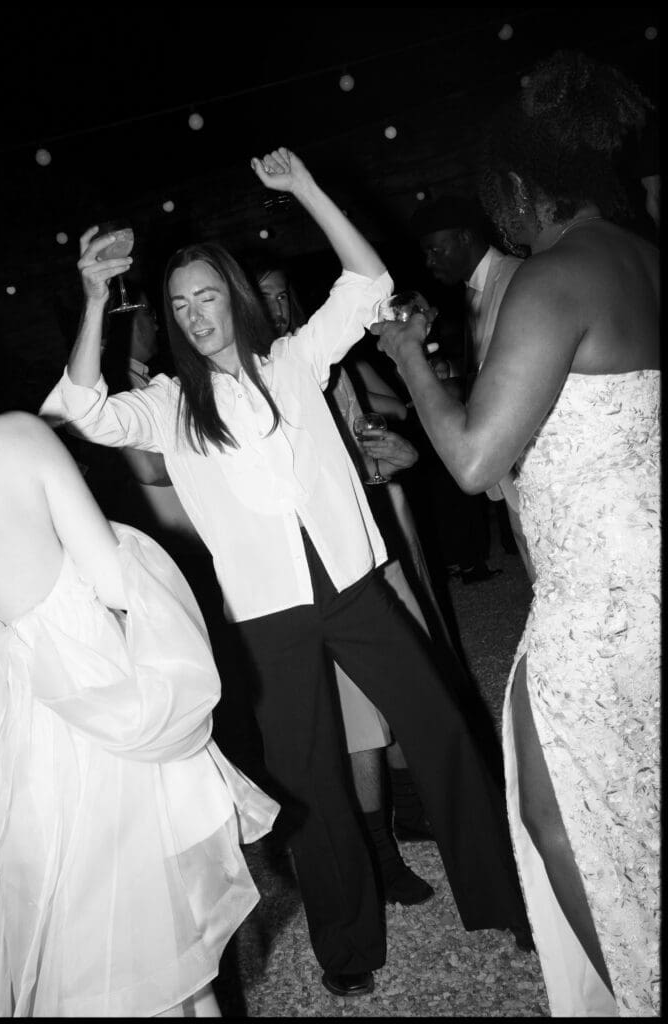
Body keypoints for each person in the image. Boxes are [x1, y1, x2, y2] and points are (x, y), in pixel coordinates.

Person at [41, 146, 531, 999]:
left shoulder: (296, 362)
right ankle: (347, 946)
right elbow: (78, 412)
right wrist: (91, 299)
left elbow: (368, 281)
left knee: (442, 730)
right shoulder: (169, 403)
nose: (195, 316)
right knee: (311, 780)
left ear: (232, 298)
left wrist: (305, 187)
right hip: (266, 616)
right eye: (179, 305)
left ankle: (503, 899)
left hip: (352, 586)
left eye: (206, 297)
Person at [375, 51, 660, 1017]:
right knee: (638, 806)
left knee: (556, 815)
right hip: (644, 572)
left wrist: (410, 358)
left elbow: (471, 459)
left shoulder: (554, 276)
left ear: (521, 184)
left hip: (600, 601)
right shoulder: (645, 261)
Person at [0, 330, 278, 1017]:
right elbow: (118, 584)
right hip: (93, 727)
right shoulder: (14, 438)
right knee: (154, 953)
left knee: (49, 953)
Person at [257, 263, 437, 891]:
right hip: (320, 566)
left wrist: (387, 458)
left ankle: (412, 810)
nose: (277, 308)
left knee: (411, 670)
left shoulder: (327, 361)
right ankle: (379, 853)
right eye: (263, 298)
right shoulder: (260, 380)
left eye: (282, 295)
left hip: (370, 535)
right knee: (357, 711)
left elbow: (361, 447)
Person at [411, 195, 533, 581]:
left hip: (532, 448)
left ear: (464, 237)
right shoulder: (474, 290)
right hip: (508, 452)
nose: (429, 262)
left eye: (435, 250)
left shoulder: (516, 277)